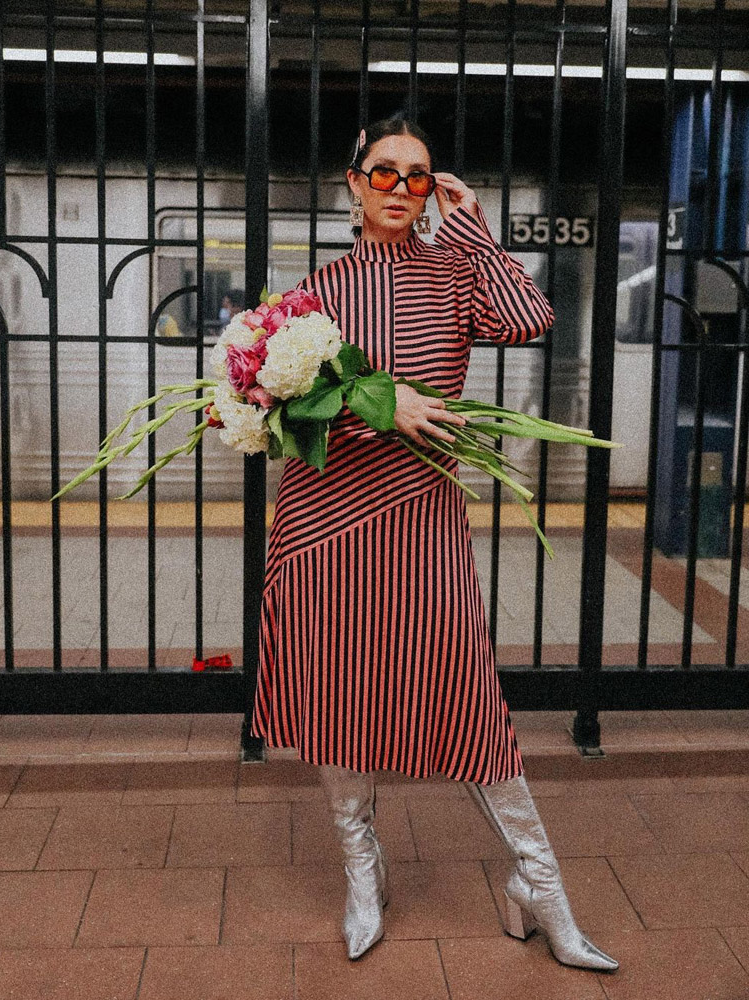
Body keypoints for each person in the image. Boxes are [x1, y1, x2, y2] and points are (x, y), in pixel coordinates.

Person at [249, 115, 618, 973]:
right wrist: (381, 404)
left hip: (421, 512)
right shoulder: (316, 292)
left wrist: (473, 225)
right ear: (354, 182)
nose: (400, 189)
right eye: (384, 172)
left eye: (417, 176)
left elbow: (529, 316)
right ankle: (363, 874)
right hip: (326, 518)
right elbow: (282, 409)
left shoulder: (454, 271)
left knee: (467, 693)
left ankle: (540, 886)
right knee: (336, 689)